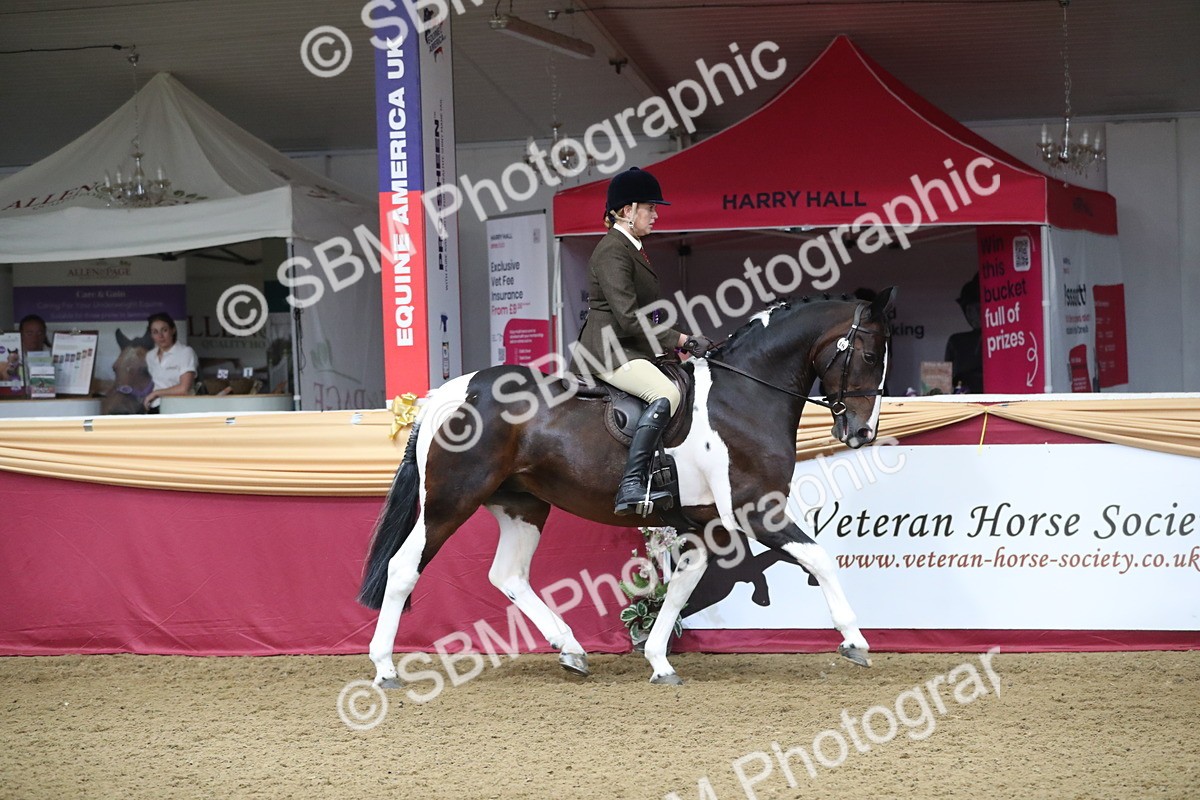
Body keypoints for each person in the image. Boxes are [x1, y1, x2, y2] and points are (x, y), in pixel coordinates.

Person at [569, 167, 713, 516]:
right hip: (609, 349)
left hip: (630, 345)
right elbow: (629, 317)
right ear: (628, 210)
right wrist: (680, 337)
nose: (656, 214)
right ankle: (632, 483)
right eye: (650, 208)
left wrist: (678, 343)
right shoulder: (612, 251)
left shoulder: (631, 247)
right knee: (666, 393)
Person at [143, 312, 198, 411]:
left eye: (164, 330)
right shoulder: (150, 356)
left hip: (180, 408)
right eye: (155, 332)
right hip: (156, 406)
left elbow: (184, 389)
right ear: (151, 335)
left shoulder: (185, 352)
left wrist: (156, 393)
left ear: (173, 330)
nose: (160, 336)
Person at [944, 273, 983, 394]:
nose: (972, 315)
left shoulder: (1004, 341)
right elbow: (942, 385)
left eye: (977, 309)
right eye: (968, 310)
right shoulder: (957, 342)